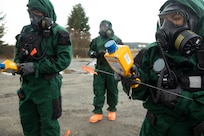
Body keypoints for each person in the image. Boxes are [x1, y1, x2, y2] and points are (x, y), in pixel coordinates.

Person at [115, 0, 204, 135]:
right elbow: (142, 93)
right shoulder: (152, 52)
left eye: (176, 18)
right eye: (163, 20)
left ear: (195, 22)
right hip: (152, 129)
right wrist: (133, 81)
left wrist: (179, 100)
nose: (167, 26)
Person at [14, 0, 72, 135]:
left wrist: (36, 67)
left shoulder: (59, 33)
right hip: (27, 86)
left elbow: (64, 60)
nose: (33, 16)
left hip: (47, 87)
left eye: (37, 13)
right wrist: (17, 65)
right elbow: (19, 52)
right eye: (31, 13)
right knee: (28, 122)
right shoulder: (26, 30)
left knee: (48, 125)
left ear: (46, 13)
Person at [88, 20, 123, 123]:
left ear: (109, 28)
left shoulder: (116, 40)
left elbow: (122, 52)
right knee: (98, 91)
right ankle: (97, 112)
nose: (103, 28)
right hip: (99, 70)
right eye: (101, 26)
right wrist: (94, 54)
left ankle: (112, 110)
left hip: (112, 70)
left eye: (105, 26)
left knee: (112, 91)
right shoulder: (96, 40)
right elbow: (90, 51)